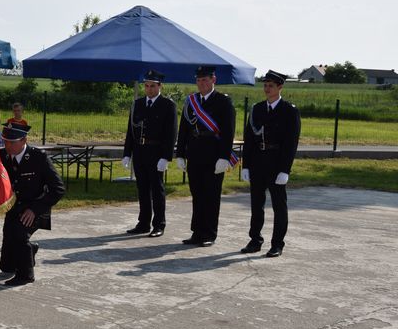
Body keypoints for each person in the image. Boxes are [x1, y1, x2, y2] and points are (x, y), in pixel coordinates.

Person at [241, 70, 301, 258]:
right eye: (265, 85)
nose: (267, 89)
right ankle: (255, 240)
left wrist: (285, 170)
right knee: (256, 204)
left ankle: (277, 243)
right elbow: (249, 138)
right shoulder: (257, 109)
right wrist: (246, 165)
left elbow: (291, 142)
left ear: (280, 87)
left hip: (276, 162)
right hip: (258, 160)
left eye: (271, 86)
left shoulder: (289, 110)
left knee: (278, 205)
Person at [175, 65, 236, 247]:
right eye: (199, 80)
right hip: (194, 152)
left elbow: (228, 131)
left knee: (211, 195)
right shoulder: (191, 101)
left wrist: (224, 157)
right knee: (197, 194)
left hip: (214, 154)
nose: (201, 83)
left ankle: (209, 233)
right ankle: (197, 232)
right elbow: (184, 129)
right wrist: (180, 154)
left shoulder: (223, 102)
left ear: (213, 80)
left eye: (205, 80)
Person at [0, 123, 65, 286]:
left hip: (35, 208)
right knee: (6, 266)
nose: (8, 146)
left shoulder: (38, 157)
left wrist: (35, 209)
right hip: (14, 209)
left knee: (19, 234)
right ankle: (30, 250)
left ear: (24, 140)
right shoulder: (2, 156)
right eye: (5, 141)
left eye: (12, 142)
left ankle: (26, 276)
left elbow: (58, 189)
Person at [122, 70, 177, 238]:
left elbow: (171, 133)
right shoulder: (137, 104)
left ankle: (159, 224)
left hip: (156, 152)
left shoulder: (168, 105)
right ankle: (143, 222)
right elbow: (131, 130)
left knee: (157, 189)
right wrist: (127, 153)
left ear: (160, 86)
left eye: (152, 86)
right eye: (146, 86)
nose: (149, 89)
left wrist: (166, 156)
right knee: (142, 189)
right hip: (139, 151)